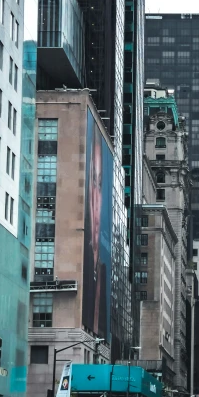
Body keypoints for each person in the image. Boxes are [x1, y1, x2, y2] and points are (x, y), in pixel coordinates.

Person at [83, 119, 109, 339]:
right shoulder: (81, 261)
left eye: (100, 183)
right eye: (92, 180)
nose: (96, 197)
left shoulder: (103, 271)